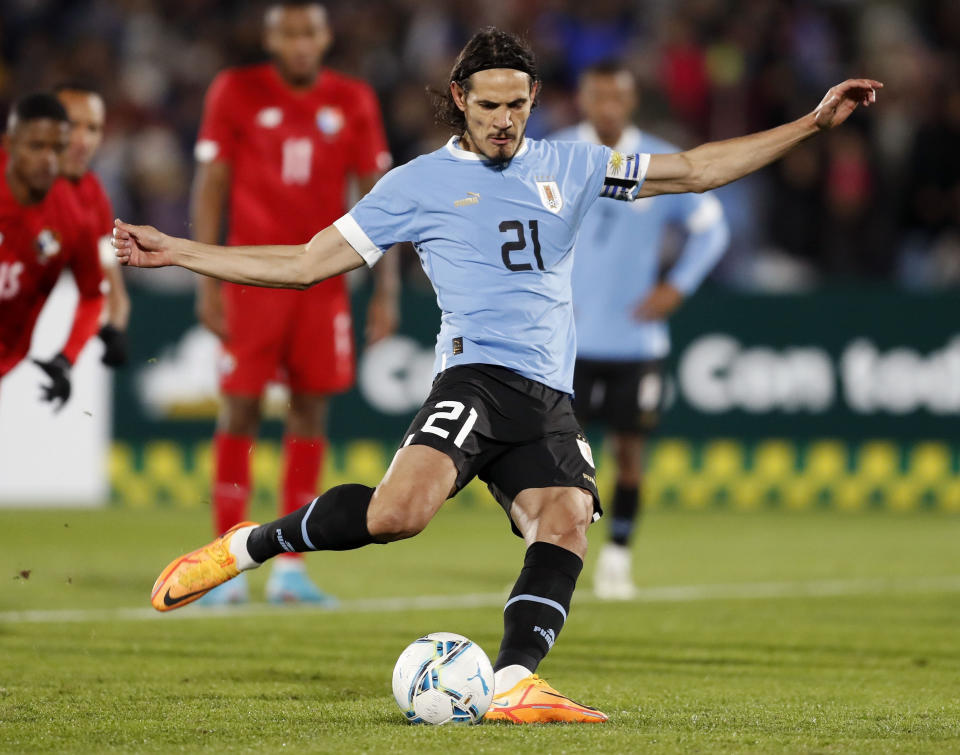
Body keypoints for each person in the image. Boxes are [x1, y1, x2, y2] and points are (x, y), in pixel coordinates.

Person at [116, 28, 880, 723]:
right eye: (489, 105)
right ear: (459, 99)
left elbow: (695, 169)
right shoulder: (418, 184)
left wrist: (812, 124)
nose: (504, 119)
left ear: (535, 100)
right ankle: (247, 546)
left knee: (568, 519)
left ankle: (514, 678)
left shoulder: (577, 164)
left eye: (517, 104)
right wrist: (181, 251)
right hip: (475, 378)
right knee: (398, 516)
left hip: (548, 397)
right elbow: (307, 263)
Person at [190, 2, 398, 605]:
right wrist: (207, 279)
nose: (302, 43)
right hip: (252, 276)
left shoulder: (354, 98)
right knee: (240, 411)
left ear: (326, 35)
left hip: (324, 280)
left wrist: (383, 290)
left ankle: (289, 567)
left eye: (311, 31)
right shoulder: (235, 90)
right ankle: (224, 562)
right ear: (271, 36)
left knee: (310, 412)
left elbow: (378, 195)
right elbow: (213, 185)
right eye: (290, 32)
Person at [549, 61, 730, 600]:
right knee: (558, 458)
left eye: (617, 96)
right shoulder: (554, 156)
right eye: (598, 94)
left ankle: (619, 555)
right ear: (584, 97)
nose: (607, 106)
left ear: (630, 101)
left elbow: (711, 227)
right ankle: (559, 552)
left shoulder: (655, 160)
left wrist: (678, 286)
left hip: (634, 340)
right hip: (567, 341)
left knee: (630, 453)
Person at [0, 92, 103, 407]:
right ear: (10, 143)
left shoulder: (73, 218)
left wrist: (66, 358)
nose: (49, 160)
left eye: (58, 149)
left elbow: (94, 295)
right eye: (36, 147)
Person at [55, 83, 130, 368]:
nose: (83, 141)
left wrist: (116, 329)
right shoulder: (9, 180)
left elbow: (110, 284)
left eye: (93, 129)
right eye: (71, 126)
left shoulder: (93, 198)